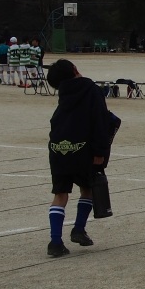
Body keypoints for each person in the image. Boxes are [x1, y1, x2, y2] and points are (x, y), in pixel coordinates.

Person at [45, 59, 118, 257]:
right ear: (75, 69)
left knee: (60, 194)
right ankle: (78, 229)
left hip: (59, 147)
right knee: (88, 188)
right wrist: (100, 152)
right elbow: (100, 120)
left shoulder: (64, 93)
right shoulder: (91, 89)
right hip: (83, 148)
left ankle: (55, 241)